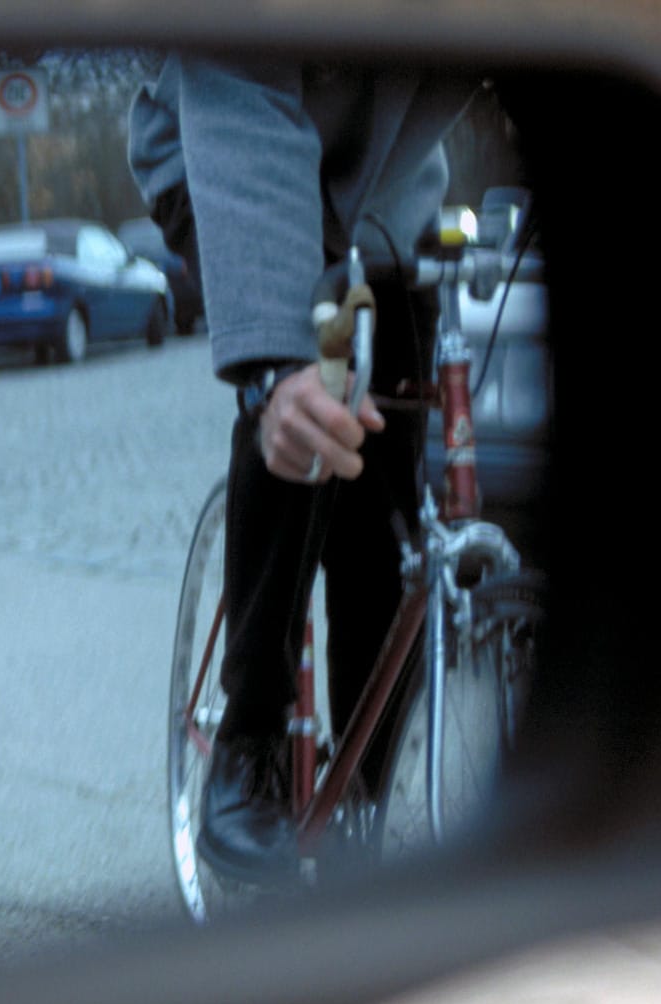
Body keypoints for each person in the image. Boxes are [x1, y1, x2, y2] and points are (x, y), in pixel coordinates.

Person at [129, 56, 475, 884]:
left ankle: (366, 787)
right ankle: (248, 743)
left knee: (386, 486)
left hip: (390, 195)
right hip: (223, 144)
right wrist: (274, 364)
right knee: (306, 395)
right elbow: (235, 75)